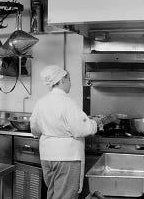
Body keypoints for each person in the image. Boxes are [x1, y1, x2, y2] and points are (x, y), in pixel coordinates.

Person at [30, 65, 117, 199]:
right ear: (62, 80)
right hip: (66, 158)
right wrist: (96, 123)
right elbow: (82, 129)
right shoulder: (67, 103)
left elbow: (35, 129)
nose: (70, 83)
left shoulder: (41, 102)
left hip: (47, 157)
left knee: (53, 193)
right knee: (65, 196)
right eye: (69, 79)